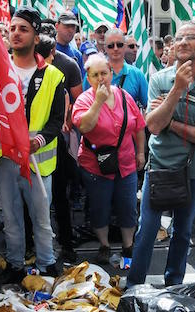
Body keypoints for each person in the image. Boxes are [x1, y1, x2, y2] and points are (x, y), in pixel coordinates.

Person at [0, 7, 66, 281]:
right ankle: (15, 264)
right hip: (5, 159)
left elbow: (57, 120)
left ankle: (47, 263)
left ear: (37, 37)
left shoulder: (52, 75)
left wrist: (38, 140)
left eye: (23, 29)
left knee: (41, 218)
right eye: (12, 29)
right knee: (11, 218)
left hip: (38, 162)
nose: (16, 33)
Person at [127, 21, 195, 287]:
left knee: (181, 232)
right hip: (160, 166)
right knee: (146, 231)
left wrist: (172, 124)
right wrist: (177, 89)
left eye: (190, 37)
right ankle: (134, 286)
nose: (182, 42)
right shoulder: (159, 79)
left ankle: (174, 285)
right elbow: (153, 126)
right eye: (179, 37)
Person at [72, 54, 146, 266]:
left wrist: (140, 153)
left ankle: (128, 245)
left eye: (104, 73)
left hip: (125, 163)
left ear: (111, 74)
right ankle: (104, 245)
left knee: (128, 206)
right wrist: (98, 103)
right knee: (100, 207)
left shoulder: (125, 97)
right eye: (95, 75)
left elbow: (139, 126)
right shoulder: (85, 100)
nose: (100, 78)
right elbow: (84, 126)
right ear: (88, 77)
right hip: (96, 165)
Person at [37, 32, 83, 263]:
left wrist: (66, 119)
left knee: (59, 197)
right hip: (34, 148)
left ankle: (66, 243)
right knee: (38, 201)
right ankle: (37, 248)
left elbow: (77, 99)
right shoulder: (25, 74)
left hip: (56, 145)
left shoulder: (64, 69)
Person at [84, 28, 148, 110]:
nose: (115, 48)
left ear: (125, 46)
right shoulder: (94, 72)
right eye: (111, 46)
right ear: (105, 48)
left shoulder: (137, 74)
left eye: (119, 45)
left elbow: (148, 106)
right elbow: (84, 103)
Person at [55, 11, 84, 75]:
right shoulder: (47, 50)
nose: (70, 30)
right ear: (57, 26)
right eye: (67, 26)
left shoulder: (77, 55)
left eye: (73, 26)